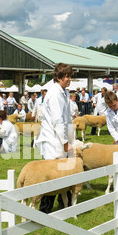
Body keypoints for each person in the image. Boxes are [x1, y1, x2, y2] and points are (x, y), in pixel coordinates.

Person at [34, 63, 75, 213]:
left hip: (60, 137)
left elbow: (66, 118)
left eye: (70, 76)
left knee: (63, 172)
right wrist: (65, 143)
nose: (69, 79)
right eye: (67, 77)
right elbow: (58, 121)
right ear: (58, 78)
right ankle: (44, 210)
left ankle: (66, 205)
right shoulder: (55, 93)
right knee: (52, 175)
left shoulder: (63, 92)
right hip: (54, 139)